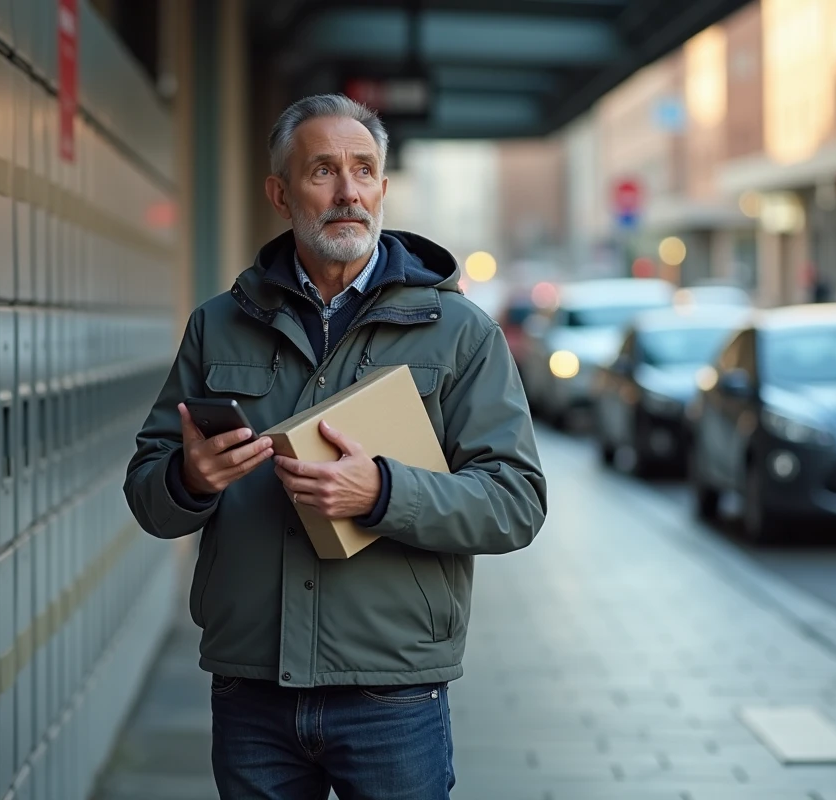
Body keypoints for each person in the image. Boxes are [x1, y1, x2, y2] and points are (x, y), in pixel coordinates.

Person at [124, 93, 547, 800]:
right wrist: (189, 480)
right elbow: (149, 497)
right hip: (251, 684)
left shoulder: (460, 331)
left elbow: (517, 502)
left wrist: (382, 492)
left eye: (364, 170)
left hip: (393, 691)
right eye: (322, 170)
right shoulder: (218, 325)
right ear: (280, 193)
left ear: (383, 186)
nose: (348, 190)